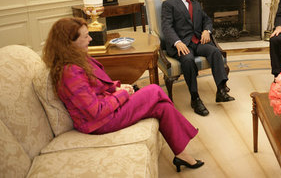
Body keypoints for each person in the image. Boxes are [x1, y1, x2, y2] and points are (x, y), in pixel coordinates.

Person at [42, 17, 204, 173]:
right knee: (154, 90)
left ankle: (181, 154)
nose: (91, 39)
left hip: (106, 111)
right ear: (70, 42)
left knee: (160, 106)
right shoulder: (70, 72)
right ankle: (187, 133)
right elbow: (95, 111)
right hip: (99, 123)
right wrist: (122, 95)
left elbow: (98, 85)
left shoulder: (78, 59)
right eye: (85, 36)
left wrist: (117, 87)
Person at [161, 0, 235, 117]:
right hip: (181, 44)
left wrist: (207, 30)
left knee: (214, 52)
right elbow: (167, 27)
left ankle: (221, 90)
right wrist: (177, 42)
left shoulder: (195, 4)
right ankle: (195, 98)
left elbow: (207, 19)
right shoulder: (169, 4)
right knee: (188, 60)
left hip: (197, 42)